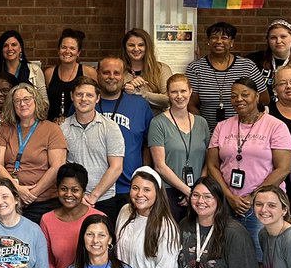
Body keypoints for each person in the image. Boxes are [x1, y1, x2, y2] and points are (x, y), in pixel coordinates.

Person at [206, 76, 291, 260]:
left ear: (257, 97)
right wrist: (230, 197)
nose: (239, 99)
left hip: (263, 204)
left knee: (263, 259)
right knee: (227, 256)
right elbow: (213, 165)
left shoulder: (275, 126)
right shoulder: (222, 127)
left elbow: (283, 168)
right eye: (234, 96)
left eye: (245, 94)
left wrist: (253, 197)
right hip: (227, 203)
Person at [0, 83, 67, 224]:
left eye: (27, 99)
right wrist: (17, 190)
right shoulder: (4, 129)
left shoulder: (52, 129)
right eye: (17, 101)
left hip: (42, 201)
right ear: (12, 105)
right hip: (9, 199)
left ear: (36, 101)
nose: (22, 104)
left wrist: (31, 195)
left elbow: (57, 167)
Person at [95, 55, 154, 223]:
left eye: (116, 73)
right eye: (106, 72)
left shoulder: (139, 105)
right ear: (97, 74)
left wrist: (143, 174)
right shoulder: (86, 102)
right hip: (94, 188)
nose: (111, 77)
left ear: (123, 76)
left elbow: (148, 144)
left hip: (129, 188)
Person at [186, 21, 268, 134]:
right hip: (208, 132)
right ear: (209, 41)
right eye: (214, 37)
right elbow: (190, 103)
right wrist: (201, 127)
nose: (219, 41)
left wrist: (248, 120)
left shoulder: (247, 66)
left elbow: (264, 98)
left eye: (224, 38)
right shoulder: (195, 68)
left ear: (232, 42)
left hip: (243, 131)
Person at [40, 163, 102, 268]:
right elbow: (47, 262)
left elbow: (106, 261)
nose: (68, 194)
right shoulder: (47, 220)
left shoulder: (99, 218)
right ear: (57, 189)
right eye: (63, 189)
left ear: (84, 191)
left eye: (75, 190)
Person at [61, 78, 125, 216]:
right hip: (72, 200)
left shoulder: (110, 127)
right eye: (79, 94)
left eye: (89, 95)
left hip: (103, 200)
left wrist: (93, 197)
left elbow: (116, 167)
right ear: (72, 96)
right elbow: (61, 166)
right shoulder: (62, 128)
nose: (84, 99)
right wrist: (79, 197)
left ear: (97, 98)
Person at [148, 73, 209, 213]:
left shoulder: (201, 123)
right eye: (174, 92)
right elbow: (160, 166)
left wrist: (198, 190)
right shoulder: (158, 123)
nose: (179, 96)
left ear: (190, 91)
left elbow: (208, 160)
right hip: (170, 192)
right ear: (168, 94)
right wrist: (188, 191)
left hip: (199, 193)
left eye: (183, 91)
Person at [43, 28, 97, 122]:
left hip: (79, 126)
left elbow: (96, 100)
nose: (67, 51)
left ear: (78, 53)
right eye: (64, 47)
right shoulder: (49, 73)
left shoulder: (88, 72)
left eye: (72, 48)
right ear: (58, 50)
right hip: (53, 127)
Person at [122, 28, 173, 112]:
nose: (136, 49)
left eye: (141, 45)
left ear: (147, 47)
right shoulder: (118, 71)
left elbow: (169, 99)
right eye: (131, 45)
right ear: (125, 47)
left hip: (154, 122)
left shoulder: (162, 69)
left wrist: (142, 94)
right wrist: (125, 88)